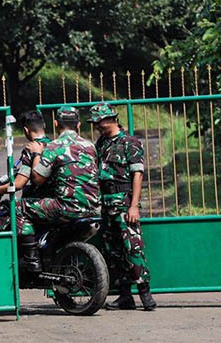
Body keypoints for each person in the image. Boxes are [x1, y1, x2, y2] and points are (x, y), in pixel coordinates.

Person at [15, 106, 101, 271]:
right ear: (79, 124)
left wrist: (37, 154)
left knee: (19, 207)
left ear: (55, 124)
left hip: (67, 207)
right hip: (93, 207)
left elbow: (37, 179)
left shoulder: (53, 147)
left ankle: (30, 259)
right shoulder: (90, 146)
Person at [89, 102, 156, 310]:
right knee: (113, 251)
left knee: (133, 248)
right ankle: (125, 296)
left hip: (124, 203)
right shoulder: (101, 144)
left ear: (110, 119)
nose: (97, 126)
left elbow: (138, 174)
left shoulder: (130, 143)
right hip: (107, 203)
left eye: (99, 122)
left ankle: (145, 295)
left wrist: (134, 206)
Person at [0, 110, 53, 200]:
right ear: (44, 125)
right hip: (56, 198)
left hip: (41, 202)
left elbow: (18, 184)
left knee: (6, 207)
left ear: (26, 130)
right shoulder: (53, 145)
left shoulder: (31, 149)